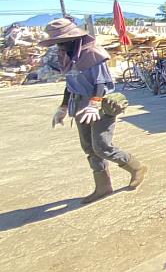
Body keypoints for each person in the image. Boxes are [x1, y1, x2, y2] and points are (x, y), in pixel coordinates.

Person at [43, 17, 147, 204]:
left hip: (99, 103)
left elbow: (100, 82)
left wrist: (94, 103)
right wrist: (63, 106)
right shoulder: (67, 56)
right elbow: (70, 85)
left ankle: (136, 167)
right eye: (56, 42)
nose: (59, 46)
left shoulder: (93, 54)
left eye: (62, 41)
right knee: (89, 148)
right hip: (79, 103)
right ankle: (103, 186)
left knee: (101, 146)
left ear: (74, 39)